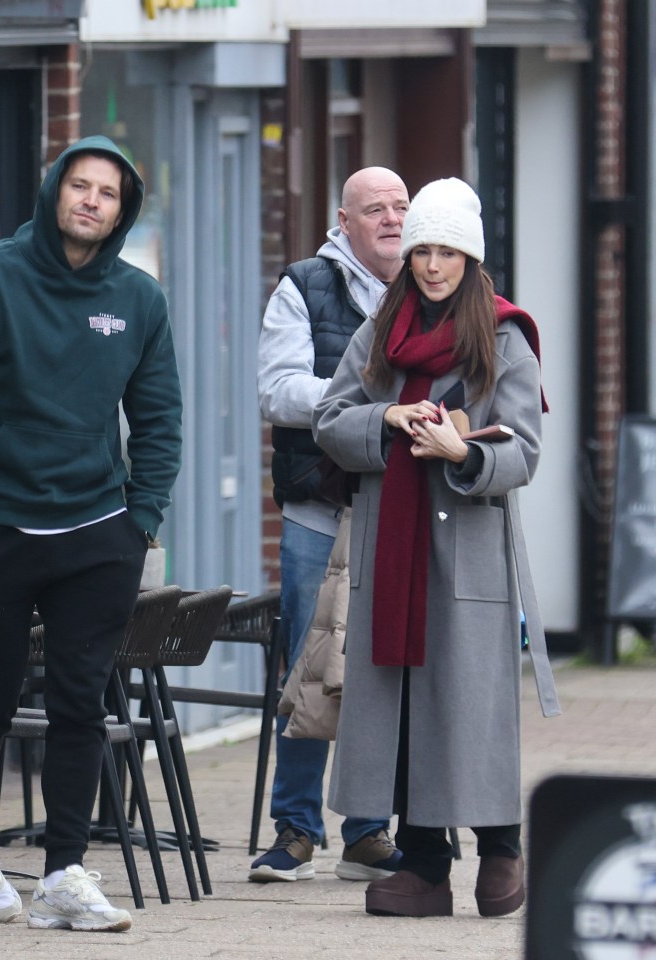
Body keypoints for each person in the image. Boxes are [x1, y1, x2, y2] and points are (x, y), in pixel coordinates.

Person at [312, 177, 560, 918]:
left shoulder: (505, 333)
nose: (431, 265)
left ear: (469, 257)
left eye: (446, 251)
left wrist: (462, 450)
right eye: (422, 249)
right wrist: (388, 417)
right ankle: (423, 864)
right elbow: (330, 418)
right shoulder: (381, 331)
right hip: (394, 550)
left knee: (471, 709)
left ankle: (502, 847)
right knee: (405, 705)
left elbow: (524, 449)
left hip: (470, 556)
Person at [0, 135, 183, 931]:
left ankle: (63, 874)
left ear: (123, 212)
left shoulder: (138, 299)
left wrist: (142, 517)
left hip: (98, 530)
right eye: (80, 186)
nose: (91, 201)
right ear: (55, 190)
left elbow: (158, 415)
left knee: (80, 703)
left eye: (108, 194)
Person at [253, 167, 410, 883]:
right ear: (342, 223)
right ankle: (294, 830)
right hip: (320, 510)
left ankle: (368, 832)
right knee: (307, 667)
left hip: (398, 510)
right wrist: (366, 402)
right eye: (374, 209)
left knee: (380, 671)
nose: (391, 219)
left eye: (401, 206)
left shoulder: (434, 283)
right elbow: (279, 390)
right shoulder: (304, 286)